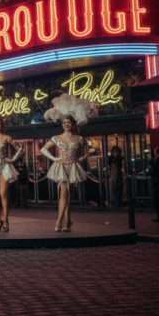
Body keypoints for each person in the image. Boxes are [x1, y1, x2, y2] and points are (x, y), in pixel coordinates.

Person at [41, 94, 98, 232]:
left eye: (69, 123)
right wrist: (55, 159)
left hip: (73, 167)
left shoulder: (79, 138)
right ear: (62, 124)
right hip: (60, 167)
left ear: (73, 125)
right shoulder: (56, 138)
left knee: (67, 197)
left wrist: (82, 158)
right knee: (64, 194)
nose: (66, 125)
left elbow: (88, 150)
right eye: (64, 123)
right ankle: (60, 221)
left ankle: (67, 222)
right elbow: (44, 149)